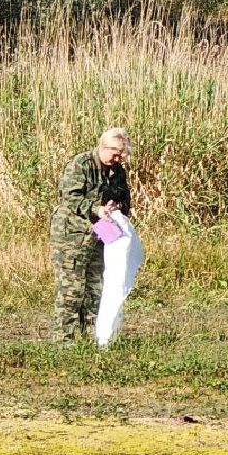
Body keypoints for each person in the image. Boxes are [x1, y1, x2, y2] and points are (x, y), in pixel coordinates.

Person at [48, 128, 132, 342]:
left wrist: (117, 207)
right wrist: (97, 209)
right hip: (71, 235)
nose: (117, 158)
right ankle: (63, 340)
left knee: (96, 289)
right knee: (72, 290)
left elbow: (125, 199)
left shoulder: (117, 171)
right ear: (102, 146)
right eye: (114, 153)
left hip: (101, 236)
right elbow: (70, 198)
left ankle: (93, 338)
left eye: (121, 154)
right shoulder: (81, 164)